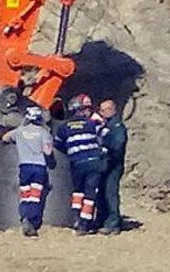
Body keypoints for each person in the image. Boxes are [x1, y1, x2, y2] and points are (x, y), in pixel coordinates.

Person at [54, 94, 104, 235]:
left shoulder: (64, 127)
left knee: (78, 192)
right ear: (81, 110)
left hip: (77, 163)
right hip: (93, 162)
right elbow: (105, 134)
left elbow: (58, 144)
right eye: (87, 109)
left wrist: (71, 151)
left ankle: (76, 218)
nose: (89, 112)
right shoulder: (91, 124)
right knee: (90, 194)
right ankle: (84, 223)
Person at [2, 105, 53, 237]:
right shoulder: (43, 132)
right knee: (35, 197)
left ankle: (24, 217)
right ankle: (32, 222)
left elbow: (5, 138)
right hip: (39, 168)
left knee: (25, 195)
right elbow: (48, 151)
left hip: (24, 167)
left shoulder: (19, 131)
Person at [97, 99, 128, 235]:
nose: (101, 113)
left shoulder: (116, 126)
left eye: (103, 110)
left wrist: (107, 151)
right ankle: (103, 220)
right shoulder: (107, 126)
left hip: (113, 165)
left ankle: (113, 223)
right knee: (102, 193)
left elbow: (118, 144)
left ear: (110, 110)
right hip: (105, 165)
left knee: (110, 193)